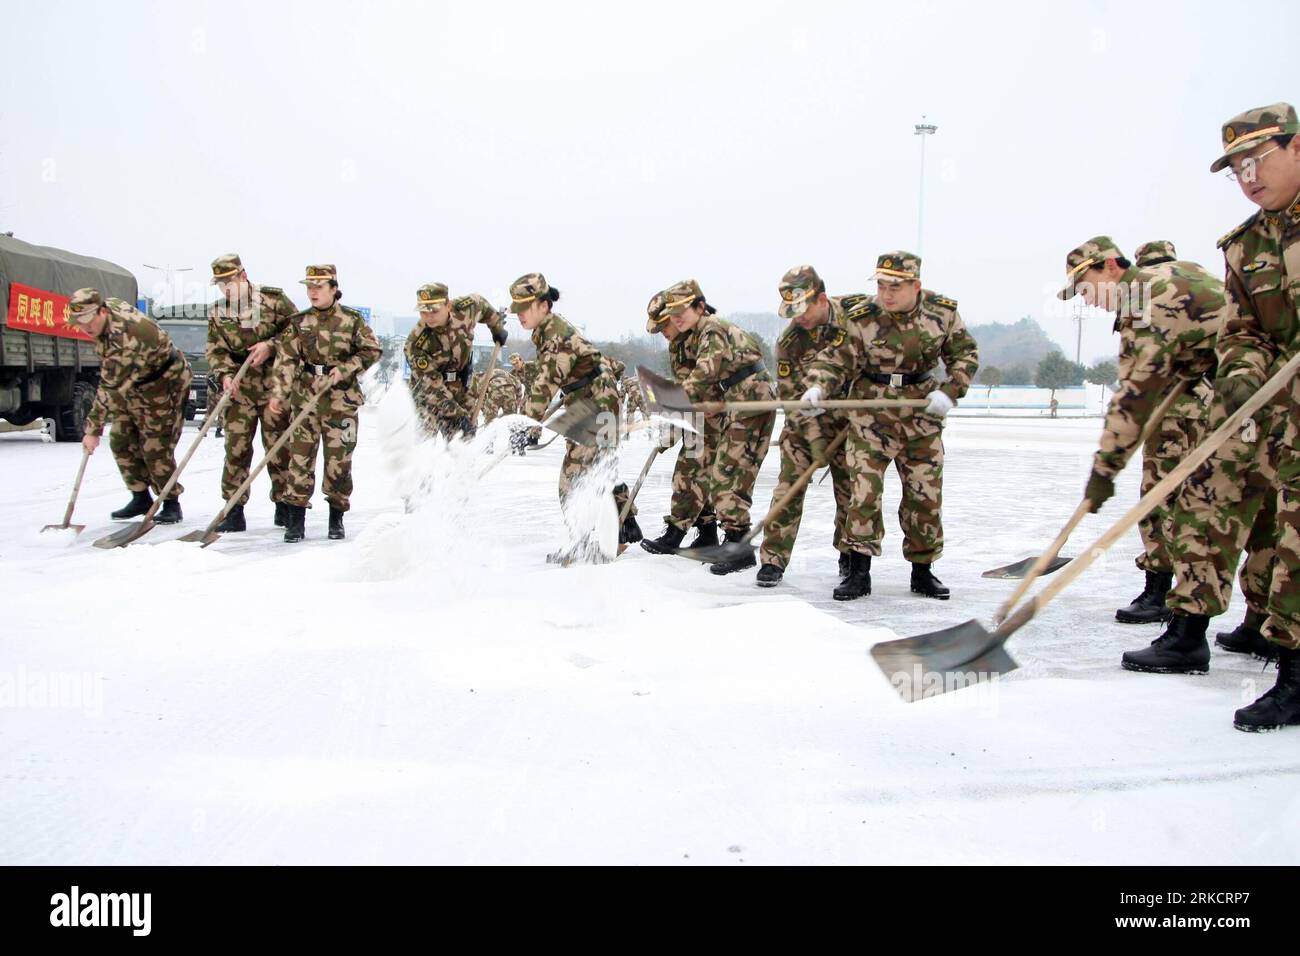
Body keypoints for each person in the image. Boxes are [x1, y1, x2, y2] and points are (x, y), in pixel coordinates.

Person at [1061, 237, 1225, 625]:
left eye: (1085, 288)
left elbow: (1134, 399)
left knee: (1189, 506)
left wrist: (1104, 470)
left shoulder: (1142, 302)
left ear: (1110, 268)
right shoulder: (1180, 272)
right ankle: (1255, 624)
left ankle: (1183, 618)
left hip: (1234, 399)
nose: (1086, 300)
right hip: (1231, 392)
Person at [803, 251, 979, 601]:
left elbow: (965, 355)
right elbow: (836, 359)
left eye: (895, 287)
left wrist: (951, 391)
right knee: (863, 492)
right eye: (882, 285)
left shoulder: (942, 313)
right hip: (872, 410)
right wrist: (819, 385)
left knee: (924, 495)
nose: (886, 294)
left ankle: (923, 570)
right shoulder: (862, 316)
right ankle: (859, 570)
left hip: (921, 413)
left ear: (916, 285)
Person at [642, 279, 775, 575]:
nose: (668, 329)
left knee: (727, 475)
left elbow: (703, 375)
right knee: (711, 473)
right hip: (732, 403)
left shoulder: (711, 329)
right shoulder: (691, 337)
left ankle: (738, 548)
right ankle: (721, 539)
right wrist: (675, 419)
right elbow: (698, 386)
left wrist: (673, 409)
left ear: (699, 308)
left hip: (750, 403)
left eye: (674, 319)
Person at [508, 272, 640, 561]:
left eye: (524, 307)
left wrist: (526, 427)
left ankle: (579, 545)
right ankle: (623, 527)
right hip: (592, 399)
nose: (518, 314)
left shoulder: (555, 335)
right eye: (515, 308)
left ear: (543, 305)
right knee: (596, 467)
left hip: (595, 403)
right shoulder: (550, 330)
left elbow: (544, 386)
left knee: (572, 478)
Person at [755, 266, 857, 588]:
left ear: (822, 299)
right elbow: (790, 398)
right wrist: (814, 441)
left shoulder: (856, 318)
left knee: (851, 491)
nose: (798, 317)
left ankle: (849, 555)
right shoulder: (790, 341)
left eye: (803, 310)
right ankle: (773, 559)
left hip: (851, 420)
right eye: (792, 311)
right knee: (789, 488)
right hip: (806, 423)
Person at [269, 265, 382, 543]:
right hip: (306, 398)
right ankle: (296, 521)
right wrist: (279, 393)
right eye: (309, 287)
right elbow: (285, 360)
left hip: (341, 401)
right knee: (299, 460)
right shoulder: (299, 322)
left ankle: (336, 516)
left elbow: (372, 350)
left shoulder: (352, 321)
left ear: (333, 288)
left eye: (319, 287)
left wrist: (344, 369)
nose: (313, 292)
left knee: (339, 462)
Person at [71, 289, 192, 523]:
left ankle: (170, 502)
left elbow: (110, 389)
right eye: (79, 321)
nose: (84, 327)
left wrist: (92, 430)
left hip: (164, 383)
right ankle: (140, 497)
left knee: (154, 445)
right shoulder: (110, 308)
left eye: (88, 320)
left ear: (103, 311)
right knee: (120, 438)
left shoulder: (125, 339)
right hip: (134, 382)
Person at [205, 253, 298, 532]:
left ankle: (283, 505)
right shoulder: (217, 311)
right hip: (240, 391)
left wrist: (270, 345)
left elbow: (298, 332)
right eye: (220, 284)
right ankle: (233, 510)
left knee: (278, 449)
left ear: (243, 276)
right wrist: (224, 375)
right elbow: (216, 350)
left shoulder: (273, 300)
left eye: (229, 282)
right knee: (236, 450)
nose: (225, 289)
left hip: (274, 387)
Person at [639, 289, 720, 555]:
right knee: (700, 472)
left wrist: (674, 426)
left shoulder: (704, 335)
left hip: (715, 413)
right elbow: (683, 387)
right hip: (697, 413)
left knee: (689, 471)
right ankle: (707, 532)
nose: (662, 331)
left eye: (664, 324)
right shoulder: (678, 343)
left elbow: (700, 385)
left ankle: (676, 532)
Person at [404, 282, 507, 439]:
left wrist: (496, 327)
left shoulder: (465, 309)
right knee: (424, 446)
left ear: (448, 306)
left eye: (434, 311)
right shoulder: (416, 343)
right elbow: (432, 387)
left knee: (463, 443)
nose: (428, 317)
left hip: (463, 385)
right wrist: (458, 417)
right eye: (423, 312)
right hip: (430, 396)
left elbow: (483, 305)